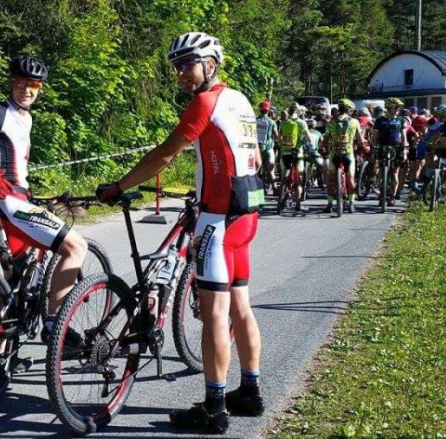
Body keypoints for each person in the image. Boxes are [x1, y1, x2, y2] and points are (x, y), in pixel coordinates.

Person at [96, 32, 264, 435]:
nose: (180, 73)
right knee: (240, 305)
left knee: (215, 316)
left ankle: (213, 408)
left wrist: (118, 186)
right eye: (176, 66)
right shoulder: (239, 101)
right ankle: (250, 393)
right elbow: (253, 155)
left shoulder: (204, 103)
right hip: (246, 216)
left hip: (218, 222)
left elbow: (165, 154)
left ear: (210, 63)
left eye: (187, 64)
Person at [0, 55, 88, 378]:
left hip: (16, 201)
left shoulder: (25, 118)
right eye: (21, 83)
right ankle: (57, 326)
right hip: (8, 203)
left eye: (34, 85)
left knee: (14, 282)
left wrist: (34, 196)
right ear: (11, 83)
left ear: (40, 89)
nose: (27, 89)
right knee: (75, 247)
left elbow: (17, 168)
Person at [322, 99, 365, 213]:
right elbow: (360, 141)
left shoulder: (331, 122)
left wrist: (322, 146)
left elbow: (325, 140)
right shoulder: (355, 122)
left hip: (334, 153)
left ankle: (330, 204)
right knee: (350, 179)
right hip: (348, 153)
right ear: (349, 110)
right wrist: (363, 145)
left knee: (331, 179)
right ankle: (351, 204)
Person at [373, 97, 409, 206]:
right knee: (380, 172)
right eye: (396, 107)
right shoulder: (380, 120)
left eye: (399, 107)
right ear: (389, 108)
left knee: (394, 173)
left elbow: (403, 136)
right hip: (382, 147)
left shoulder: (401, 120)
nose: (398, 109)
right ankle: (381, 194)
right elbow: (375, 136)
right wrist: (373, 147)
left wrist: (405, 150)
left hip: (396, 148)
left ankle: (392, 196)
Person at [278, 103, 310, 211]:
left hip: (285, 152)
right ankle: (298, 204)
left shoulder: (283, 123)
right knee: (299, 180)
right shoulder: (302, 123)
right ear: (299, 112)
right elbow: (309, 138)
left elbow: (279, 138)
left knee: (284, 175)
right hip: (297, 152)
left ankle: (284, 191)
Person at [257, 100, 279, 194]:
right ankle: (275, 188)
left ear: (259, 109)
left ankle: (257, 188)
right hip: (269, 148)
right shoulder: (272, 122)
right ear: (268, 110)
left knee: (257, 170)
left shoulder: (254, 120)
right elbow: (276, 136)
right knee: (271, 170)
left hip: (257, 149)